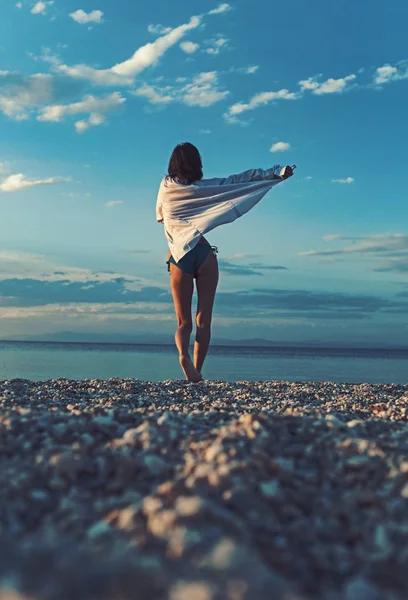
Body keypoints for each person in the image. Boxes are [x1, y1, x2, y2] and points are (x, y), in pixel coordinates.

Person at [156, 142, 295, 383]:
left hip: (179, 257)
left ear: (173, 163)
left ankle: (183, 356)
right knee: (204, 319)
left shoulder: (166, 187)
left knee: (183, 321)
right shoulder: (203, 188)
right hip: (205, 254)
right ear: (196, 164)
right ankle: (197, 371)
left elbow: (160, 217)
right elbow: (237, 180)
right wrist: (276, 172)